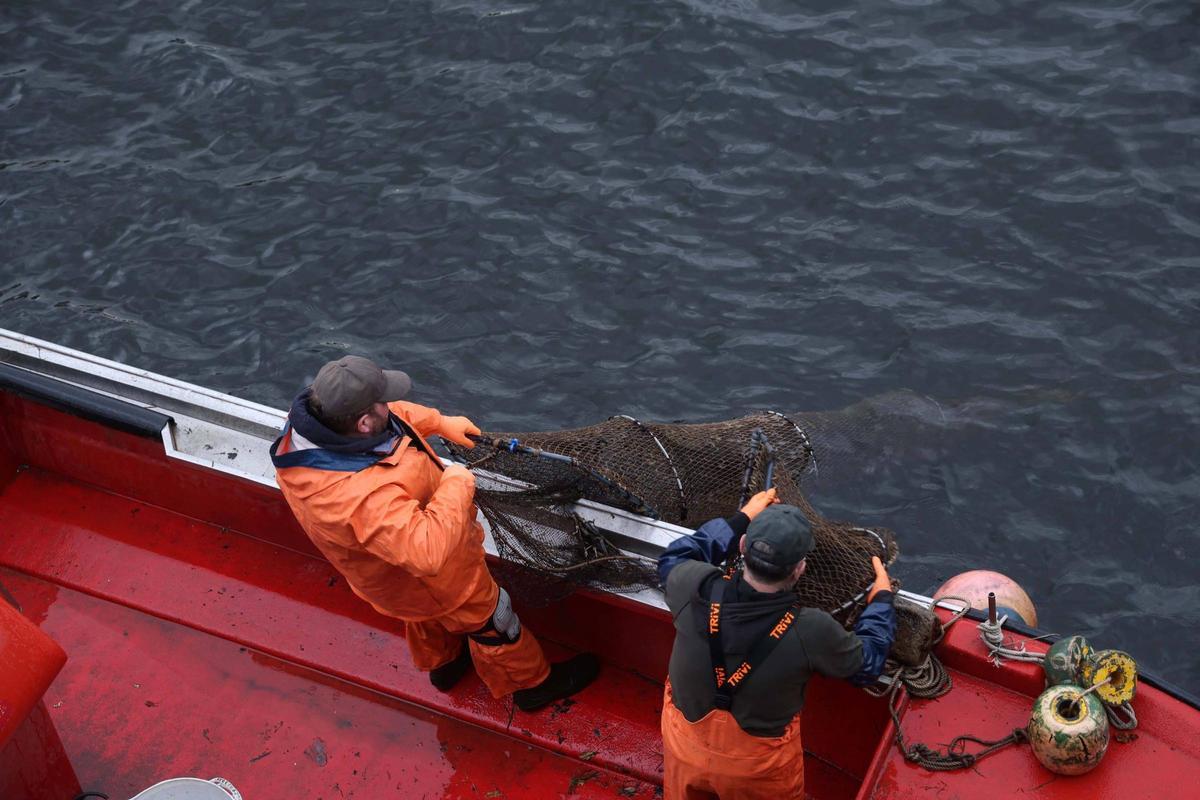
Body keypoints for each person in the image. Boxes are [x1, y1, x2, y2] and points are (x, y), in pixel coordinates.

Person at [270, 355, 598, 711]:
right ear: (364, 422)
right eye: (381, 401)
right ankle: (531, 685)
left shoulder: (318, 422)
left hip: (393, 582)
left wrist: (439, 422)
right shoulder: (357, 496)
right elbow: (428, 552)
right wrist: (456, 481)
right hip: (439, 576)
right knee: (493, 619)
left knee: (422, 615)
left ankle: (443, 666)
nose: (388, 405)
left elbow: (392, 418)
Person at [657, 488, 896, 799]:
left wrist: (741, 518)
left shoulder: (692, 585)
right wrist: (881, 601)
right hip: (756, 772)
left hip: (683, 747)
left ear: (742, 545)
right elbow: (866, 665)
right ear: (800, 568)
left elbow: (673, 557)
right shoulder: (812, 629)